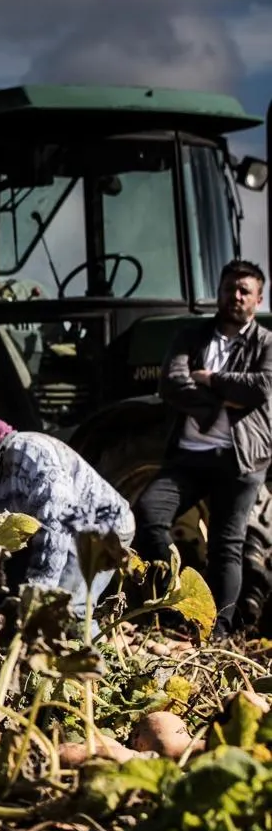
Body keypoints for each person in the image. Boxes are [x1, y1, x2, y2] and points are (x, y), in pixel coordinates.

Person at [134, 259, 272, 638]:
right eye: (230, 289)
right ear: (219, 293)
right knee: (149, 513)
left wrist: (210, 379)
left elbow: (260, 388)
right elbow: (172, 384)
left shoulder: (267, 343)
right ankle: (175, 607)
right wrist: (223, 402)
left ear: (258, 299)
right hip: (189, 456)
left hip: (240, 458)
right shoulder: (190, 336)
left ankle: (218, 633)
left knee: (227, 546)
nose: (236, 296)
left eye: (245, 291)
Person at [0, 409, 135, 618]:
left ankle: (91, 647)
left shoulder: (28, 454)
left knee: (67, 609)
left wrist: (38, 593)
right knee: (8, 607)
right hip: (39, 537)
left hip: (99, 525)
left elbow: (56, 526)